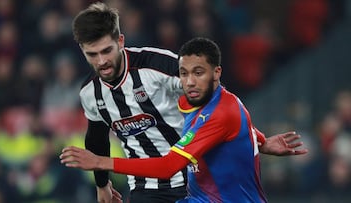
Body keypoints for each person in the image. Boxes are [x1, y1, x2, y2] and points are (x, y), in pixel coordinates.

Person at [67, 2, 307, 203]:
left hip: (193, 178)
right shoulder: (90, 93)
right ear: (82, 50)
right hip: (145, 187)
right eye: (92, 54)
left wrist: (259, 140)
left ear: (120, 41)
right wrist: (102, 185)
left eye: (106, 51)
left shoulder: (157, 65)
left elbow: (215, 102)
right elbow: (97, 138)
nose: (101, 61)